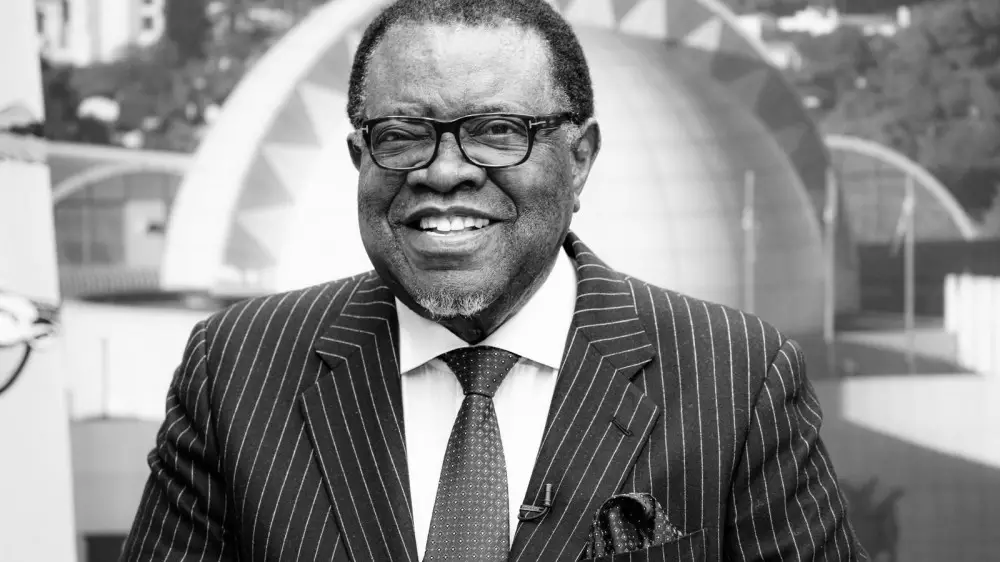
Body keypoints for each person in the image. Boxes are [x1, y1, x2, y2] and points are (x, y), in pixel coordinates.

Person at [121, 0, 868, 560]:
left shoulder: (734, 379)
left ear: (580, 159)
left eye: (498, 131)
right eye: (401, 135)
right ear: (360, 160)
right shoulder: (237, 373)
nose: (445, 171)